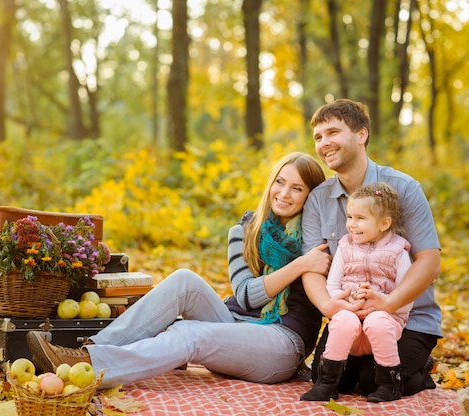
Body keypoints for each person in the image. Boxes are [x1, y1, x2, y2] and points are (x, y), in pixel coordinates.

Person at [26, 152, 357, 389]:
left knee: (188, 333)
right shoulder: (245, 231)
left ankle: (92, 369)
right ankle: (89, 352)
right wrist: (300, 265)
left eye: (296, 188)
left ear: (310, 196)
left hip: (281, 343)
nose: (283, 194)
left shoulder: (317, 240)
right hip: (235, 322)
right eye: (280, 182)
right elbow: (245, 295)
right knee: (184, 279)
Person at [301, 99, 442, 398]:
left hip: (407, 318)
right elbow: (312, 267)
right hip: (349, 316)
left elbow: (429, 262)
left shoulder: (404, 188)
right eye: (318, 137)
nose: (324, 143)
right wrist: (329, 306)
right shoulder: (318, 199)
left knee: (371, 381)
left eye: (333, 132)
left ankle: (420, 367)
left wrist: (388, 305)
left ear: (361, 135)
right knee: (326, 379)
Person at [300, 182, 413, 402]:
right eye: (350, 217)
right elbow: (332, 285)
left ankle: (388, 386)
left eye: (360, 218)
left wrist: (384, 302)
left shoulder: (398, 252)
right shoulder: (345, 247)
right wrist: (344, 300)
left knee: (378, 321)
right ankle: (327, 384)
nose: (352, 224)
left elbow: (406, 296)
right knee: (343, 320)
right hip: (351, 321)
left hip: (384, 323)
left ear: (384, 223)